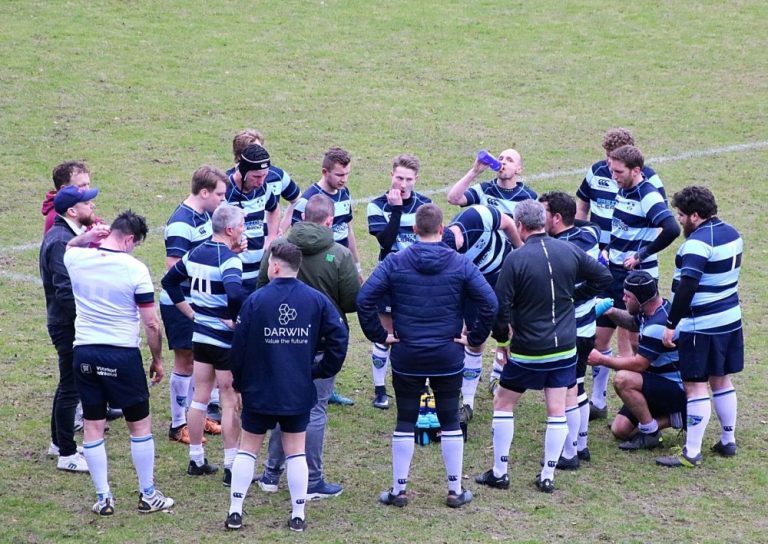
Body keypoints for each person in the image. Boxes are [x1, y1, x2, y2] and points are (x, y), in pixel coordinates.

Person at [357, 204, 498, 508]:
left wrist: (380, 336)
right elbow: (490, 302)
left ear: (413, 230)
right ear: (443, 229)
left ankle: (398, 490)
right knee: (449, 419)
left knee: (405, 420)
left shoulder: (395, 261)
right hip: (447, 354)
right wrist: (473, 339)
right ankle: (454, 490)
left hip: (408, 353)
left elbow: (364, 298)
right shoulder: (460, 263)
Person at [474, 199, 611, 494]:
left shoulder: (516, 259)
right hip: (564, 348)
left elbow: (500, 308)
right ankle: (547, 475)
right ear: (545, 222)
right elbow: (604, 276)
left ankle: (500, 472)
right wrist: (574, 297)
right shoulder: (568, 249)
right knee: (557, 409)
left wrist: (503, 341)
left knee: (503, 403)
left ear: (521, 226)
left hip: (527, 349)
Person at [226, 242, 348, 533]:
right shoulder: (316, 300)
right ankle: (297, 515)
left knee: (248, 450)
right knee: (296, 452)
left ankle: (235, 511)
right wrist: (321, 371)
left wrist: (240, 385)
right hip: (297, 389)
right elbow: (339, 336)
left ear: (276, 266)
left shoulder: (256, 300)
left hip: (259, 390)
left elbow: (238, 349)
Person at [64, 210, 174, 516]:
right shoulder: (135, 270)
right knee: (139, 425)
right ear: (128, 239)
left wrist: (87, 237)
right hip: (121, 355)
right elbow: (151, 324)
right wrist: (156, 359)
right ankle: (147, 494)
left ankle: (103, 498)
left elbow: (70, 247)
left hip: (84, 352)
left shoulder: (77, 259)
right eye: (134, 244)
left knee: (92, 426)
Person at [254, 194, 360, 499]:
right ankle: (312, 480)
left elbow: (261, 290)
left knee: (281, 406)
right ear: (330, 221)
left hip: (281, 341)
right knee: (315, 408)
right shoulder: (339, 255)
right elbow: (352, 301)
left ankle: (271, 474)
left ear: (301, 216)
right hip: (321, 345)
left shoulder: (278, 248)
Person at [575, 129, 668, 419]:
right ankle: (599, 401)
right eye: (606, 157)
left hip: (636, 271)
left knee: (635, 338)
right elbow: (583, 202)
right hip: (605, 264)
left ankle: (642, 396)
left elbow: (661, 223)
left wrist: (639, 253)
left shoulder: (648, 183)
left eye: (615, 161)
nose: (609, 165)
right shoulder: (597, 172)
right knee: (600, 333)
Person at [656, 186, 744, 468]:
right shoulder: (733, 233)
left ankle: (691, 452)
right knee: (722, 379)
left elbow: (687, 287)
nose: (679, 220)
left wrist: (671, 323)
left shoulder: (696, 244)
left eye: (682, 215)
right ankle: (728, 440)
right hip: (730, 320)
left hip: (701, 325)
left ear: (696, 215)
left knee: (695, 386)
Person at [161, 204, 246, 483]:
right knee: (230, 400)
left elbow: (169, 282)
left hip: (200, 336)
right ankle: (231, 466)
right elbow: (234, 292)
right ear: (230, 230)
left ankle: (196, 460)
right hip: (223, 339)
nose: (245, 230)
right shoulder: (229, 260)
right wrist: (235, 319)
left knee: (199, 398)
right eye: (242, 225)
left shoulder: (195, 253)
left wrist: (190, 313)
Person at [40, 185, 108, 472]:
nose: (91, 205)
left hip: (66, 322)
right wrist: (86, 319)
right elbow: (64, 290)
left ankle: (59, 442)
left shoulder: (65, 235)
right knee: (71, 386)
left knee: (67, 383)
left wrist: (88, 238)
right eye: (86, 203)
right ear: (72, 211)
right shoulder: (59, 241)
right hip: (68, 325)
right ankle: (66, 454)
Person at [160, 166, 227, 444]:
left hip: (199, 300)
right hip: (181, 303)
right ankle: (178, 425)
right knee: (185, 360)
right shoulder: (180, 223)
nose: (223, 200)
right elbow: (173, 269)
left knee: (199, 360)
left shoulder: (205, 215)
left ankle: (194, 416)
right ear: (204, 192)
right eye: (220, 195)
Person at [587, 271, 686, 450]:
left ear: (641, 300)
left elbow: (639, 364)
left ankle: (650, 433)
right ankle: (675, 417)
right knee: (620, 430)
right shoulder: (652, 309)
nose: (623, 299)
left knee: (623, 379)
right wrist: (610, 311)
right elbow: (633, 322)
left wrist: (601, 359)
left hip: (675, 389)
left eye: (628, 296)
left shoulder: (658, 325)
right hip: (658, 382)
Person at [441, 204, 521, 424]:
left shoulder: (477, 216)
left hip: (503, 274)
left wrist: (521, 250)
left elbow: (507, 223)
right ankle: (468, 401)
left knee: (508, 329)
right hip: (473, 285)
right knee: (473, 336)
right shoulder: (450, 259)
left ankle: (497, 375)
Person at [539, 191, 601, 466]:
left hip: (568, 328)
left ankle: (569, 453)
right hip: (587, 326)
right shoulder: (588, 235)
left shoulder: (560, 250)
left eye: (543, 215)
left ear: (556, 218)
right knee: (577, 385)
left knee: (566, 390)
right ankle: (581, 445)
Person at [366, 154, 432, 409]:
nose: (403, 184)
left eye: (409, 179)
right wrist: (395, 210)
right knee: (386, 334)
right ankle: (380, 389)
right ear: (391, 175)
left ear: (416, 179)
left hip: (419, 281)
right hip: (389, 280)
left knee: (420, 332)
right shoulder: (377, 205)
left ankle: (421, 385)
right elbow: (385, 241)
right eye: (399, 178)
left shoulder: (425, 205)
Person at [292, 147, 362, 277]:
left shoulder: (345, 193)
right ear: (325, 172)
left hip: (343, 263)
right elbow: (298, 242)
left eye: (347, 174)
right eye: (340, 175)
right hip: (320, 270)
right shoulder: (307, 201)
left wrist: (357, 267)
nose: (344, 179)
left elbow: (348, 230)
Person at [225, 144, 280, 294]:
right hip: (234, 273)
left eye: (265, 175)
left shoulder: (263, 189)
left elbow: (274, 209)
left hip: (259, 273)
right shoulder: (224, 192)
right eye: (256, 176)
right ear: (242, 171)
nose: (261, 181)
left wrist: (271, 237)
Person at [228, 129, 301, 236]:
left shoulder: (277, 176)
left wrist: (279, 229)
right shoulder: (227, 183)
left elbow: (298, 201)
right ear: (240, 157)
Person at [447, 148, 536, 218]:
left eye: (509, 160)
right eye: (500, 159)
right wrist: (474, 172)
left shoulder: (530, 197)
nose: (503, 162)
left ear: (519, 169)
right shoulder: (484, 190)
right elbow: (453, 199)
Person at [41, 161, 94, 235]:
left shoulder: (77, 207)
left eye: (88, 184)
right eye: (82, 185)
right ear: (64, 189)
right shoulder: (59, 218)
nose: (87, 190)